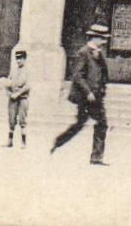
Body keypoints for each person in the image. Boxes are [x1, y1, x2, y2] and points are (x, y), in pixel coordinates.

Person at [51, 23, 110, 165]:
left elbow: (103, 74)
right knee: (94, 124)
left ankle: (95, 156)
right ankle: (60, 142)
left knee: (92, 123)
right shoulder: (83, 52)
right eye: (102, 39)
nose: (104, 42)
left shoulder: (98, 53)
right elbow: (77, 76)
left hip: (96, 97)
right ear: (95, 38)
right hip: (87, 97)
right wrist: (88, 91)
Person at [5, 48, 31, 147]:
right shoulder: (13, 70)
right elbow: (8, 82)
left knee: (22, 119)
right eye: (17, 58)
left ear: (25, 59)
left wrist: (18, 93)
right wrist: (9, 92)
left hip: (22, 98)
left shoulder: (27, 71)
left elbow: (28, 86)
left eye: (21, 58)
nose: (19, 61)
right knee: (11, 119)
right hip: (12, 98)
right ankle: (10, 141)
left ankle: (23, 142)